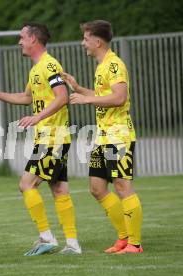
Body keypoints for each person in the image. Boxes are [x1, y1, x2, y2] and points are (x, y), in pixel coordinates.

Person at [0, 22, 81, 255]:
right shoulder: (36, 69)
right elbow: (26, 97)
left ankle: (47, 237)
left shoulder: (50, 64)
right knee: (59, 189)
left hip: (53, 137)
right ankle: (72, 244)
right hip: (51, 136)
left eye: (22, 37)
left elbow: (62, 96)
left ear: (34, 39)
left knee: (26, 184)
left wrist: (37, 117)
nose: (19, 41)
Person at [61, 20, 143, 254]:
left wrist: (87, 99)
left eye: (86, 39)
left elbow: (119, 97)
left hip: (119, 137)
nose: (83, 43)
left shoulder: (114, 65)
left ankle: (134, 244)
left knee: (122, 186)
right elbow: (102, 95)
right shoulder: (102, 66)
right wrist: (78, 88)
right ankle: (123, 237)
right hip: (104, 138)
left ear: (97, 41)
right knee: (97, 188)